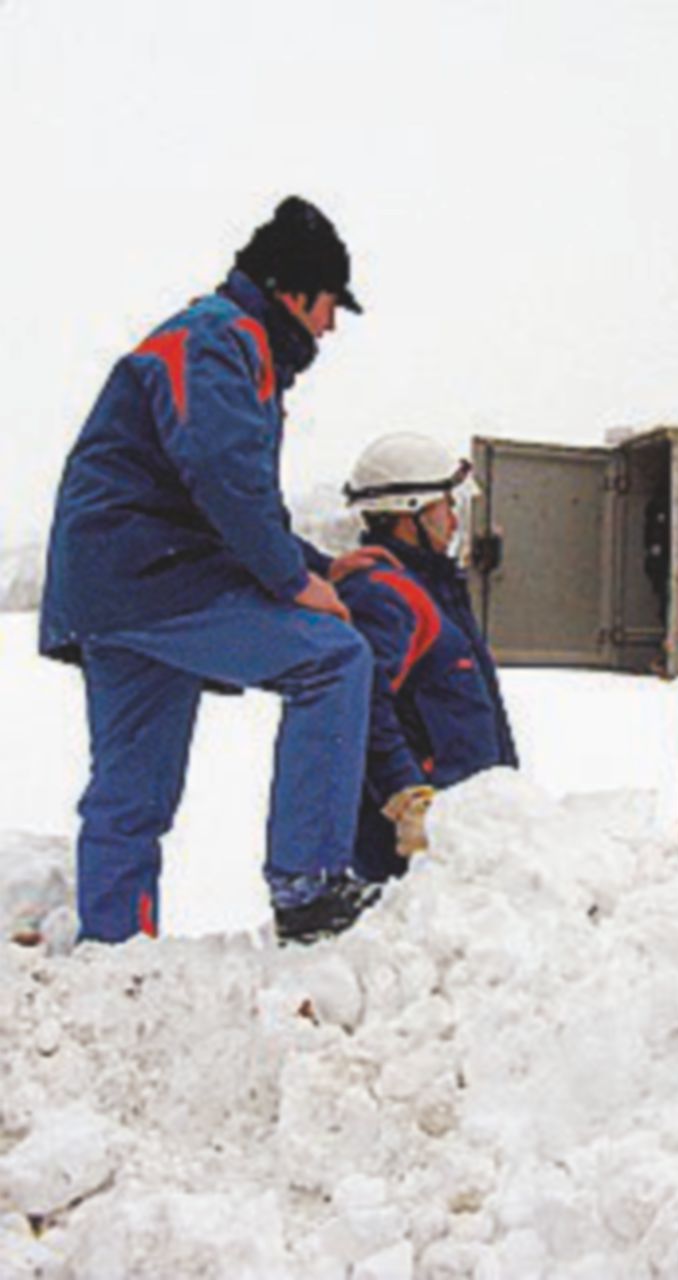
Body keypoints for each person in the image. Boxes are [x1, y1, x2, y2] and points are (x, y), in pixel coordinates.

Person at [39, 197, 398, 945]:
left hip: (111, 590)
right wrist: (296, 584)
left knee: (129, 797)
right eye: (330, 305)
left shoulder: (210, 340)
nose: (330, 327)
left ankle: (115, 954)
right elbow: (218, 472)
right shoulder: (221, 338)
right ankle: (306, 887)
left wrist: (317, 563)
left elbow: (219, 491)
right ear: (294, 292)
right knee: (333, 659)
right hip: (159, 576)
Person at [338, 433, 518, 882]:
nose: (455, 522)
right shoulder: (383, 594)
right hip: (414, 839)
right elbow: (363, 705)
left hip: (463, 827)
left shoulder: (432, 589)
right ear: (410, 512)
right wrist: (407, 795)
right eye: (446, 507)